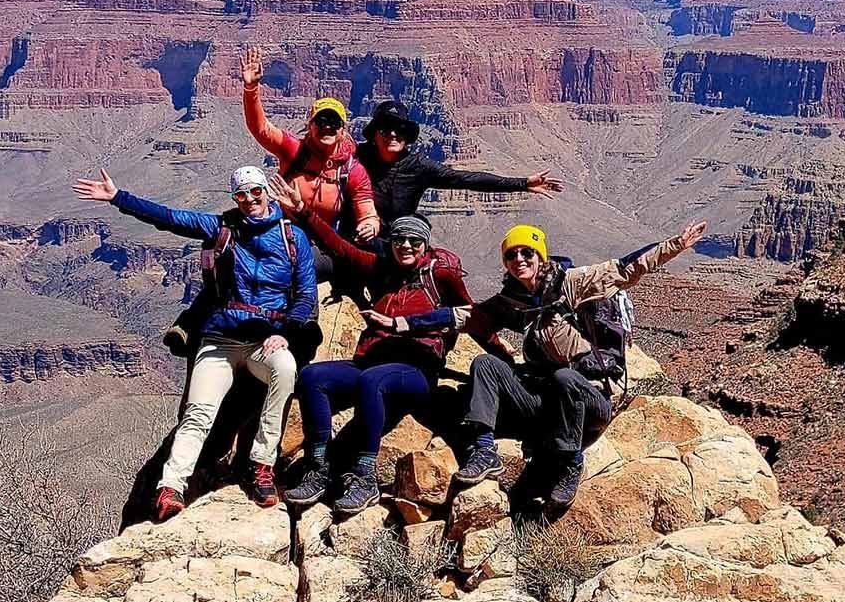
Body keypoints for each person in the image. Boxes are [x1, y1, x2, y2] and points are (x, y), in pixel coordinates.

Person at [370, 219, 707, 510]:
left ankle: (570, 461)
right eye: (511, 255)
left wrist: (675, 244)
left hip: (588, 399)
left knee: (564, 378)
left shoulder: (571, 284)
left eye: (526, 252)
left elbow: (625, 269)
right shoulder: (511, 302)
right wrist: (401, 325)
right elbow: (463, 316)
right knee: (486, 365)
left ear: (540, 255)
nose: (519, 259)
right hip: (545, 400)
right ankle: (484, 449)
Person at [73, 164, 317, 521]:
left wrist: (286, 334)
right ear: (235, 198)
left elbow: (306, 294)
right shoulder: (222, 228)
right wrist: (117, 198)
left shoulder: (293, 238)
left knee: (286, 371)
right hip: (220, 341)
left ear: (267, 193)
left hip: (264, 343)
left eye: (255, 192)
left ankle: (261, 465)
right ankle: (170, 488)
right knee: (199, 413)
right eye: (241, 195)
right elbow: (170, 218)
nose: (249, 200)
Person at [266, 173, 473, 514]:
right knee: (312, 378)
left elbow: (469, 314)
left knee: (372, 380)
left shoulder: (440, 276)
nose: (405, 245)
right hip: (372, 362)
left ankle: (365, 476)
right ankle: (319, 467)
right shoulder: (380, 269)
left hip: (415, 371)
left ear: (425, 245)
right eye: (399, 239)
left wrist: (407, 325)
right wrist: (303, 212)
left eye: (413, 241)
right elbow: (338, 247)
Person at [240, 46, 377, 269]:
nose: (327, 128)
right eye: (321, 122)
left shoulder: (351, 170)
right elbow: (261, 129)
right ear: (309, 125)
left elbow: (367, 211)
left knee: (294, 266)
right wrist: (251, 87)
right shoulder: (295, 151)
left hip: (321, 244)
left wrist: (370, 225)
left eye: (334, 123)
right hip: (280, 234)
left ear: (343, 129)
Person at [352, 99, 563, 238]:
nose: (392, 134)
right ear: (375, 134)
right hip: (355, 234)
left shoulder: (418, 167)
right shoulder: (357, 157)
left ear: (407, 136)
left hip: (399, 243)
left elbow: (466, 179)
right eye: (385, 129)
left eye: (399, 129)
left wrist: (523, 184)